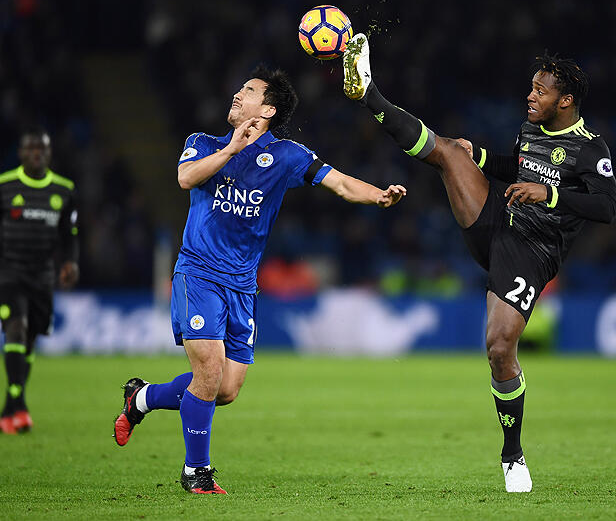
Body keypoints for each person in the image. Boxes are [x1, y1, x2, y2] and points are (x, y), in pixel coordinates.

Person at [342, 34, 616, 492]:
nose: (530, 96)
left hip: (533, 251)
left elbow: (607, 207)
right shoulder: (530, 129)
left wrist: (547, 194)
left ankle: (512, 454)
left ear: (565, 101)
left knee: (499, 348)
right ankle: (369, 94)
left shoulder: (591, 149)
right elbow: (518, 167)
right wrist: (483, 157)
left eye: (540, 91)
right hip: (497, 220)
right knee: (450, 151)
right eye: (531, 88)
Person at [113, 65, 406, 494]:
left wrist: (378, 195)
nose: (237, 93)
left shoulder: (287, 156)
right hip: (198, 274)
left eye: (248, 90)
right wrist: (232, 148)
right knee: (209, 371)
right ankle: (197, 472)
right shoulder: (203, 143)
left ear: (267, 110)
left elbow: (341, 183)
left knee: (225, 390)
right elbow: (185, 178)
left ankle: (141, 398)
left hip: (243, 286)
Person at [0, 129, 79, 434]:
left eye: (42, 149)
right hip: (8, 272)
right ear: (20, 153)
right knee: (16, 327)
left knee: (29, 339)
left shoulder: (64, 190)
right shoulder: (1, 186)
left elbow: (70, 235)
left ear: (49, 153)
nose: (36, 153)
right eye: (31, 149)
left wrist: (71, 262)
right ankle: (19, 406)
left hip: (42, 277)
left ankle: (10, 407)